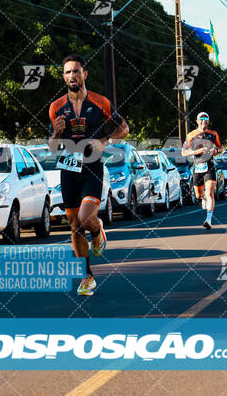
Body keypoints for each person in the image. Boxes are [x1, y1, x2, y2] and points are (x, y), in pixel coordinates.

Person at [48, 54, 129, 296]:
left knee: (85, 218)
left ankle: (97, 230)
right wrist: (56, 133)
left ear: (85, 74)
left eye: (76, 71)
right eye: (68, 72)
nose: (72, 75)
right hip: (68, 169)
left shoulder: (100, 101)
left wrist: (105, 141)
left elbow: (123, 127)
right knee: (73, 226)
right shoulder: (55, 107)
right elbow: (53, 147)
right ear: (63, 77)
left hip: (92, 167)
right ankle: (87, 277)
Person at [182, 112, 223, 230]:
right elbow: (184, 152)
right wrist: (196, 152)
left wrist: (217, 151)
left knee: (210, 193)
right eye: (201, 119)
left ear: (208, 121)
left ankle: (208, 219)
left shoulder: (213, 134)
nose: (203, 120)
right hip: (197, 166)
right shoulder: (191, 135)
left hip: (209, 165)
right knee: (199, 195)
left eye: (206, 118)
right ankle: (203, 199)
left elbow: (221, 147)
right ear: (197, 121)